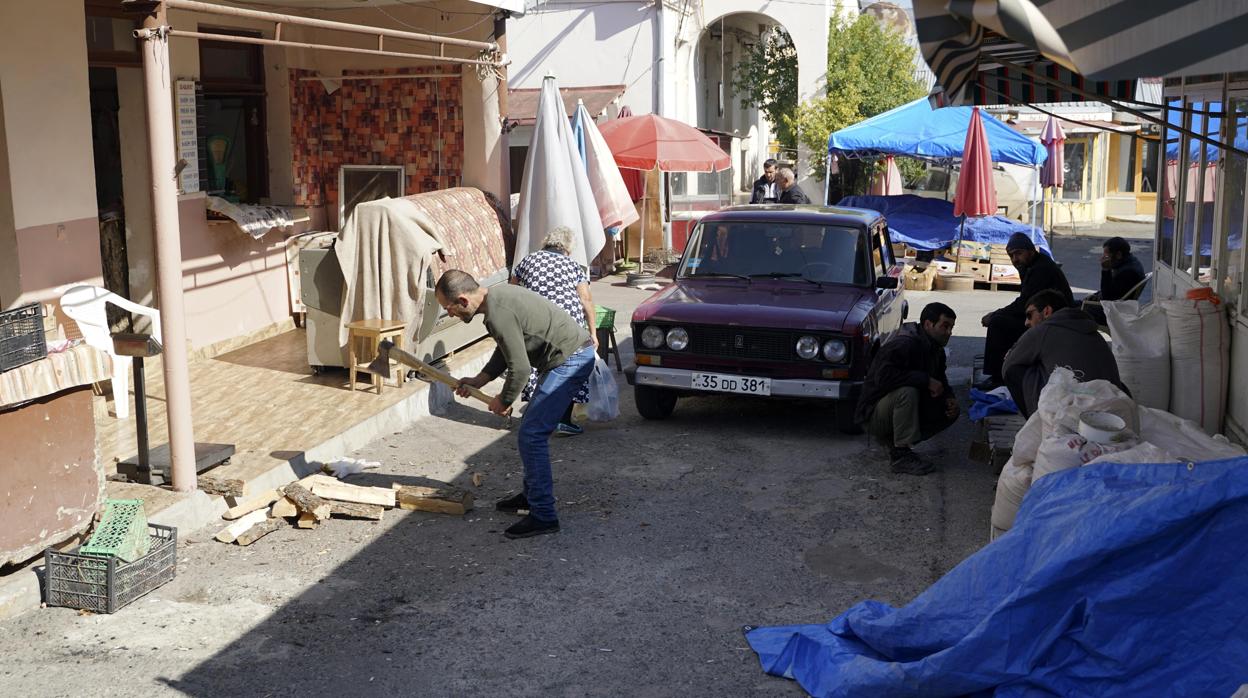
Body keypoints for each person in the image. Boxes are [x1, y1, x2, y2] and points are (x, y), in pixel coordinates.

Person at [437, 270, 596, 539]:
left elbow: (520, 369)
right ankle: (533, 495)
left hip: (571, 360)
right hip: (567, 357)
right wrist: (480, 380)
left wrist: (504, 400)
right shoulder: (496, 298)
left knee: (532, 435)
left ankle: (544, 515)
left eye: (448, 308)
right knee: (531, 432)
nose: (450, 314)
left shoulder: (497, 313)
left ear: (463, 301)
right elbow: (506, 348)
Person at [511, 226, 599, 436]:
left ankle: (535, 414)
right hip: (567, 324)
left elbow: (512, 290)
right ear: (568, 248)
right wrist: (593, 333)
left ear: (546, 243)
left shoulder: (527, 261)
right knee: (568, 366)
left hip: (535, 322)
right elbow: (586, 299)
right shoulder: (573, 265)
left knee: (539, 365)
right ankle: (562, 420)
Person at [854, 302, 960, 475]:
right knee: (907, 393)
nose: (949, 332)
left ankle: (898, 442)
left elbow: (941, 379)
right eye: (945, 326)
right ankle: (900, 455)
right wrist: (925, 380)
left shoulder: (936, 350)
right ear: (928, 324)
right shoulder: (904, 345)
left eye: (951, 327)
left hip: (894, 409)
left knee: (948, 410)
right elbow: (883, 378)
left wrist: (950, 397)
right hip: (873, 414)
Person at [1002, 289, 1126, 417]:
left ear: (1046, 311)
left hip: (1070, 412)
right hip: (1112, 408)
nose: (1026, 322)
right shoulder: (1094, 332)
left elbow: (1008, 365)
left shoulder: (1044, 329)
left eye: (1029, 315)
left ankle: (1038, 421)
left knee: (1013, 370)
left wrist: (1013, 352)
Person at [977, 233, 1073, 390]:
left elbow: (1024, 303)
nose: (1015, 259)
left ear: (1031, 251)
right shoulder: (1032, 266)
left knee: (998, 323)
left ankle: (998, 377)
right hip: (1046, 315)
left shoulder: (1040, 269)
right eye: (1011, 255)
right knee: (1003, 319)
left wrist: (995, 314)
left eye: (1018, 253)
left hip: (1055, 320)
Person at [1082, 236, 1147, 324]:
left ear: (1118, 255)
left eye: (1106, 255)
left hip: (1112, 312)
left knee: (1071, 310)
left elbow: (1107, 298)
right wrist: (1095, 295)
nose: (1103, 258)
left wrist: (1106, 270)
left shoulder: (1127, 272)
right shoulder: (1130, 262)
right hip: (1114, 306)